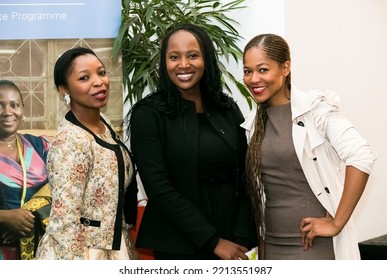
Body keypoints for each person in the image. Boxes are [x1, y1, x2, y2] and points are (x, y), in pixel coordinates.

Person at [241, 34, 377, 259]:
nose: (254, 79)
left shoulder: (317, 110)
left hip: (312, 246)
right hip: (271, 246)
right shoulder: (253, 123)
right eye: (248, 71)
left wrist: (336, 222)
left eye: (263, 70)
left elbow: (361, 156)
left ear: (285, 68)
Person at [128, 23, 257, 260]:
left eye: (193, 55)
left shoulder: (227, 108)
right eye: (174, 57)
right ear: (164, 63)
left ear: (206, 59)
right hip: (179, 244)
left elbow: (246, 177)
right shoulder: (148, 114)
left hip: (233, 240)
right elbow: (159, 188)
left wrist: (242, 237)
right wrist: (213, 241)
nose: (183, 64)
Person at [35, 47, 138, 260]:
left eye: (101, 72)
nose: (99, 81)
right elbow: (64, 221)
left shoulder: (104, 124)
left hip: (113, 246)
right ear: (64, 90)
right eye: (84, 77)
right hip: (83, 254)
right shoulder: (71, 142)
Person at [0, 80, 50, 260]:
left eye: (14, 105)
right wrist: (5, 217)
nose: (7, 112)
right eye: (0, 105)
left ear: (23, 108)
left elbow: (64, 190)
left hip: (42, 250)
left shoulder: (40, 147)